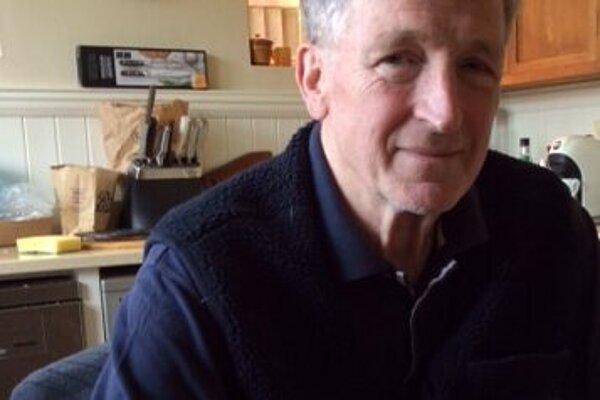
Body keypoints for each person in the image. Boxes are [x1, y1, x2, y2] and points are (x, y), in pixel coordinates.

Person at [92, 0, 600, 398]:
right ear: (314, 80)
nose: (446, 113)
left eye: (474, 65)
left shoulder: (550, 227)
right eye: (398, 60)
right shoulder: (198, 275)